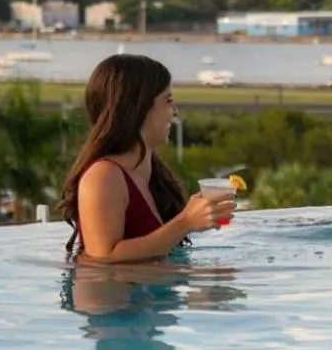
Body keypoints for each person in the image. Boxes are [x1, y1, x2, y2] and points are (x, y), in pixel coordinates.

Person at [59, 54, 233, 261]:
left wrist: (198, 219)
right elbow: (102, 258)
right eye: (167, 101)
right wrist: (185, 222)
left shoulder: (150, 171)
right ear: (137, 107)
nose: (174, 111)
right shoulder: (103, 176)